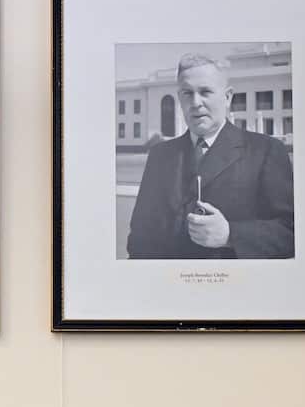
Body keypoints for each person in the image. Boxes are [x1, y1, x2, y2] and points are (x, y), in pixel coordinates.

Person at [126, 54, 294, 260]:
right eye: (187, 93)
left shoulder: (266, 151)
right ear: (179, 98)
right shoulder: (160, 155)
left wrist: (231, 234)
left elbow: (290, 232)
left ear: (227, 97)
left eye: (205, 92)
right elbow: (139, 236)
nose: (196, 103)